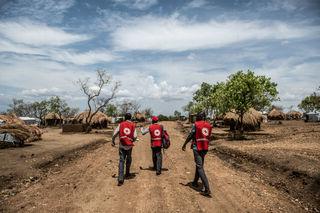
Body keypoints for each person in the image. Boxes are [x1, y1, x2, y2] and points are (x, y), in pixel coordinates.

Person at [182, 112, 212, 196]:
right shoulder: (209, 125)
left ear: (199, 117)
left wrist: (184, 144)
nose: (196, 118)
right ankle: (195, 182)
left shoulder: (196, 124)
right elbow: (208, 137)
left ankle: (207, 189)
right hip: (205, 147)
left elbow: (191, 135)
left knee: (199, 167)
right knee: (199, 165)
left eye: (197, 116)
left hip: (197, 147)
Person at [112, 113, 137, 186]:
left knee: (121, 160)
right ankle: (127, 173)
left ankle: (120, 178)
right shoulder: (133, 125)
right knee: (128, 159)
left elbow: (115, 133)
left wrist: (113, 140)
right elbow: (135, 136)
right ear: (130, 118)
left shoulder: (121, 124)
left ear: (124, 118)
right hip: (129, 146)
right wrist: (132, 140)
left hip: (122, 145)